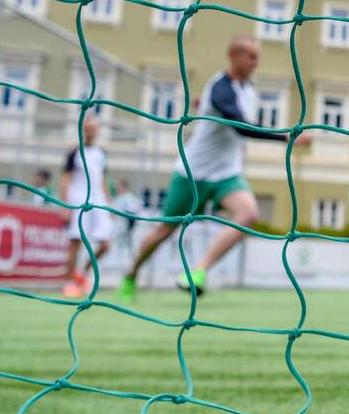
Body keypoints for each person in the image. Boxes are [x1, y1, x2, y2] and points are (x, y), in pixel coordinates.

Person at [117, 36, 310, 301]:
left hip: (226, 174)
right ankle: (131, 274)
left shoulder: (248, 90)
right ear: (235, 56)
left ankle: (198, 271)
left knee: (248, 214)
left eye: (257, 57)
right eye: (251, 56)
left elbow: (243, 118)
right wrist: (286, 137)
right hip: (193, 173)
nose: (256, 63)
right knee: (164, 231)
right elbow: (241, 127)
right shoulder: (220, 89)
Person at [61, 116, 115, 299]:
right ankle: (69, 283)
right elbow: (65, 179)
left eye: (94, 128)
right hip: (79, 201)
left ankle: (82, 275)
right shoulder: (74, 152)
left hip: (98, 202)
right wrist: (65, 206)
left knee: (106, 244)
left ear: (98, 130)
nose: (91, 131)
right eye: (88, 128)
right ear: (83, 130)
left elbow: (102, 180)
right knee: (75, 242)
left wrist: (108, 204)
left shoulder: (101, 153)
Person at [111, 177, 143, 248]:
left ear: (123, 186)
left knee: (122, 244)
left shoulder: (128, 197)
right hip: (117, 225)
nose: (117, 188)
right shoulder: (118, 197)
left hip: (124, 225)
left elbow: (136, 207)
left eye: (118, 186)